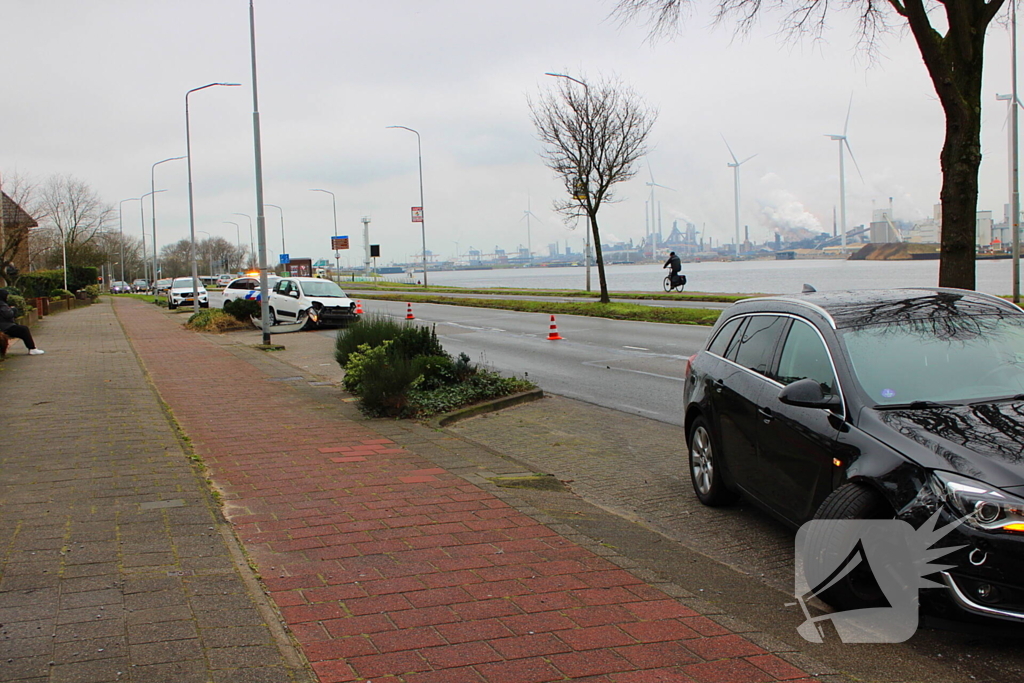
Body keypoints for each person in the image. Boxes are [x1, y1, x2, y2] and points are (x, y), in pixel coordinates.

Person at [0, 289, 44, 355]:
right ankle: (32, 348)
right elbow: (8, 314)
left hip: (3, 326)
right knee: (23, 330)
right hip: (5, 327)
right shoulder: (2, 304)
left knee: (21, 329)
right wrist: (13, 309)